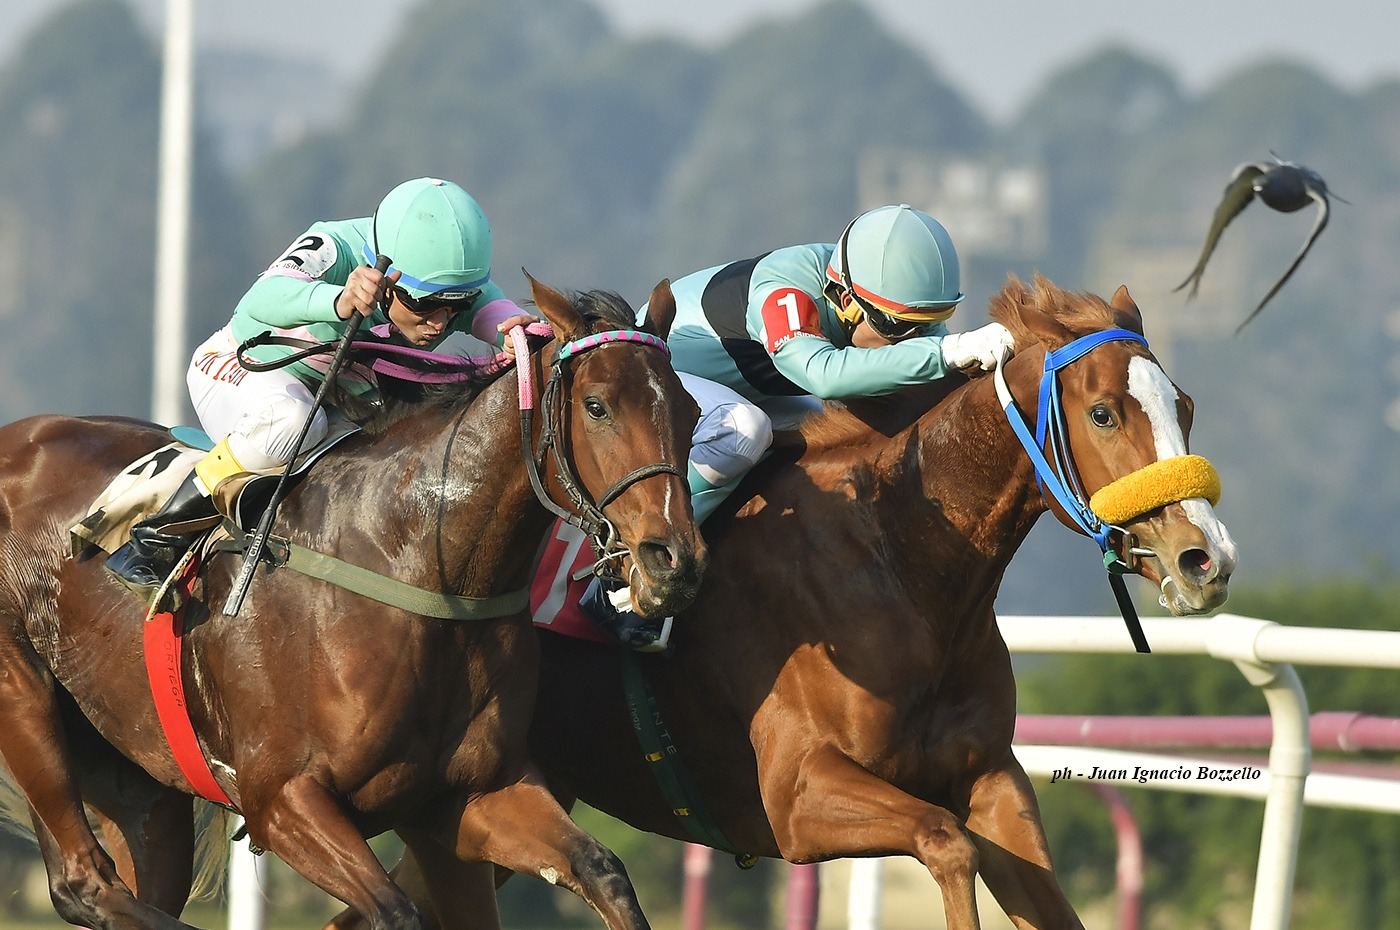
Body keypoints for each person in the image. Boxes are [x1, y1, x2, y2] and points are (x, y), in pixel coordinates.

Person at [583, 203, 1016, 651]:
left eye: (926, 326)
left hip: (743, 388)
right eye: (897, 326)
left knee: (834, 438)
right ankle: (623, 567)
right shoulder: (785, 289)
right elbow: (822, 375)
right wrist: (948, 351)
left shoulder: (875, 291)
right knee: (743, 431)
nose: (911, 342)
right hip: (664, 379)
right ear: (846, 301)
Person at [107, 177, 537, 594]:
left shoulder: (447, 281)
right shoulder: (333, 247)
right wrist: (338, 300)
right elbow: (259, 300)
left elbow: (494, 310)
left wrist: (517, 331)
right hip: (245, 366)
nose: (439, 323)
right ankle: (155, 538)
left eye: (455, 305)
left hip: (336, 397)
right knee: (292, 421)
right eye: (423, 304)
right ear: (386, 275)